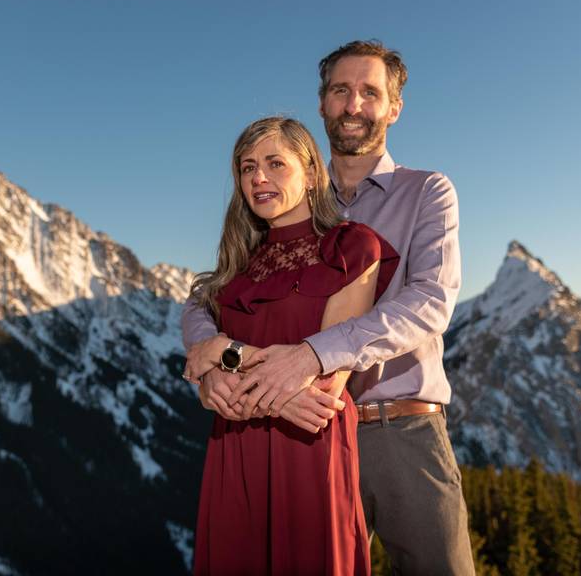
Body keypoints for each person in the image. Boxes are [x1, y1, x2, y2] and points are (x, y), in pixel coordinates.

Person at [183, 40, 475, 575]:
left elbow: (429, 302)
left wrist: (314, 357)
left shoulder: (426, 192)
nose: (354, 105)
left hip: (398, 430)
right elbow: (211, 295)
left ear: (394, 107)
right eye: (341, 90)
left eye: (370, 92)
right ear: (322, 104)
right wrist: (215, 356)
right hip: (289, 436)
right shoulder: (283, 199)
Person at [186, 116, 399, 575]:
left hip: (308, 450)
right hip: (234, 449)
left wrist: (227, 360)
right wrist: (211, 378)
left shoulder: (352, 247)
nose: (258, 177)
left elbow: (323, 388)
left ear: (310, 172)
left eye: (275, 163)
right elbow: (206, 355)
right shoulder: (236, 266)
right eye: (247, 167)